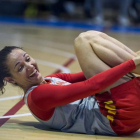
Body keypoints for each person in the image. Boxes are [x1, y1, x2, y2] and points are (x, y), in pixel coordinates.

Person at [1, 31, 140, 135]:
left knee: (89, 36)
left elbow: (95, 72)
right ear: (11, 79)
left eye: (27, 59)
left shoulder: (51, 79)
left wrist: (134, 60)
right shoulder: (36, 97)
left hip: (124, 110)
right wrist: (132, 63)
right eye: (20, 68)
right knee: (82, 41)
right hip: (117, 117)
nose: (30, 66)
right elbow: (94, 85)